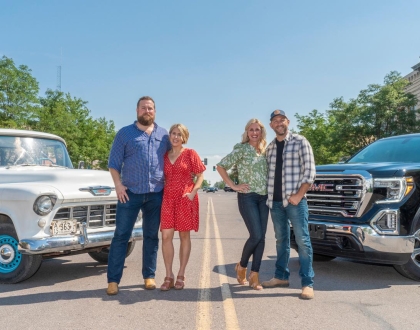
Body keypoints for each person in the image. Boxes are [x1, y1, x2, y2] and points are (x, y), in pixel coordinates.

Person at [106, 96, 171, 295]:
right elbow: (113, 164)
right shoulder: (125, 134)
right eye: (143, 108)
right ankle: (113, 281)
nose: (147, 111)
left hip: (155, 195)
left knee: (151, 236)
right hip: (130, 193)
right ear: (137, 110)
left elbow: (171, 161)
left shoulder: (164, 135)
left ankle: (149, 276)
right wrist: (118, 185)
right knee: (121, 236)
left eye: (150, 108)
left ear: (155, 111)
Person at [261, 109, 316, 300]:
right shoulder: (270, 148)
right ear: (271, 125)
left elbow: (310, 172)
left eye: (281, 119)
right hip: (275, 202)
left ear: (288, 122)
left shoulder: (300, 141)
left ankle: (307, 283)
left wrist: (299, 195)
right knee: (280, 240)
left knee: (302, 240)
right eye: (275, 120)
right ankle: (281, 277)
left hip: (295, 202)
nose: (279, 123)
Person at [216, 118, 269, 290]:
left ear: (262, 132)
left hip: (264, 197)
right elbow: (221, 166)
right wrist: (233, 185)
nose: (254, 132)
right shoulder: (242, 149)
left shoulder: (265, 150)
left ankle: (255, 276)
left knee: (261, 238)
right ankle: (242, 266)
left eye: (257, 129)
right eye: (251, 129)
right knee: (256, 235)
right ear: (247, 132)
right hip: (247, 196)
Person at [159, 124, 205, 291]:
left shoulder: (190, 154)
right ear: (169, 136)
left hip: (185, 196)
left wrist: (193, 193)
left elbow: (200, 175)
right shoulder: (164, 155)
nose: (176, 137)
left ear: (184, 137)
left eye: (179, 134)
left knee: (184, 236)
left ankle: (181, 273)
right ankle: (168, 275)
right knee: (166, 236)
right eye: (173, 133)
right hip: (168, 197)